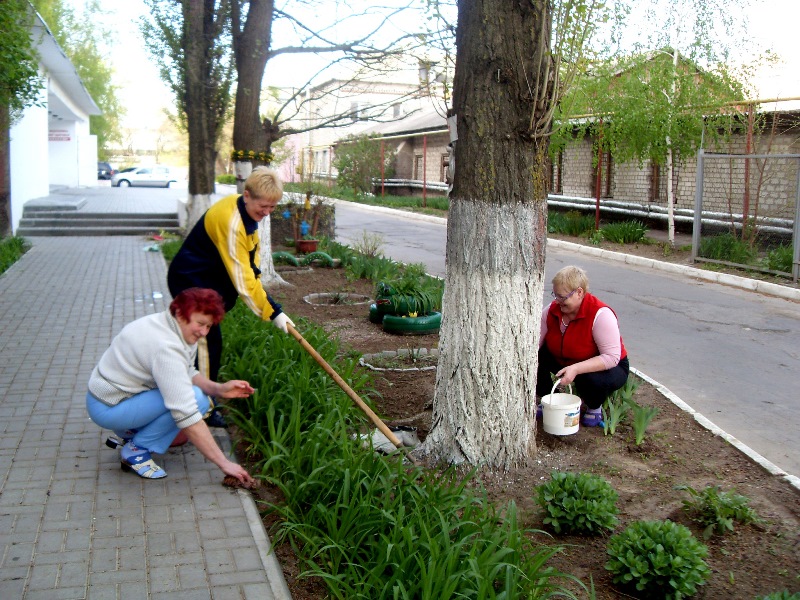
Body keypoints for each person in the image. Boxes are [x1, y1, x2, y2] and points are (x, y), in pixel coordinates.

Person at [167, 166, 295, 427]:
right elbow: (244, 282)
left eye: (272, 207)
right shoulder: (232, 221)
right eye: (263, 206)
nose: (267, 212)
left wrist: (268, 301)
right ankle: (201, 410)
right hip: (191, 284)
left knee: (202, 344)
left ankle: (187, 393)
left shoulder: (246, 213)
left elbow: (251, 262)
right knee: (207, 344)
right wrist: (273, 312)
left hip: (207, 284)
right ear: (247, 195)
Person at [86, 287, 255, 484]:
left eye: (209, 326)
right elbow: (186, 413)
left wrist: (219, 389)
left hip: (110, 397)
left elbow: (187, 371)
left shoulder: (170, 325)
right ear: (181, 314)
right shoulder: (167, 348)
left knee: (192, 403)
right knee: (197, 400)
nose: (204, 332)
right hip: (109, 407)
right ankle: (136, 450)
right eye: (200, 323)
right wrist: (224, 463)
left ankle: (132, 431)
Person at [537, 265, 629, 427]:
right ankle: (550, 399)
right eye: (555, 295)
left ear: (579, 292)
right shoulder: (551, 311)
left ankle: (594, 406)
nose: (557, 301)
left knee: (592, 380)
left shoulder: (600, 314)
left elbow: (611, 357)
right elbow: (535, 343)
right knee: (534, 358)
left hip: (605, 367)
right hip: (564, 359)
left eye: (562, 297)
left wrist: (576, 369)